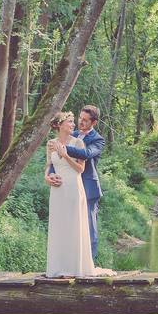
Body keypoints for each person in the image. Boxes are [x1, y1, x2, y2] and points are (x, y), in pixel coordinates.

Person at [45, 111, 114, 277]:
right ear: (60, 125)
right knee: (61, 226)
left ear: (93, 122)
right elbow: (49, 165)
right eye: (77, 119)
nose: (78, 123)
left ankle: (84, 264)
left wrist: (64, 151)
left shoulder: (97, 140)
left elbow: (85, 156)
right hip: (59, 189)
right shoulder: (57, 141)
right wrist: (47, 177)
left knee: (87, 228)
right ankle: (61, 266)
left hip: (85, 187)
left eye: (84, 120)